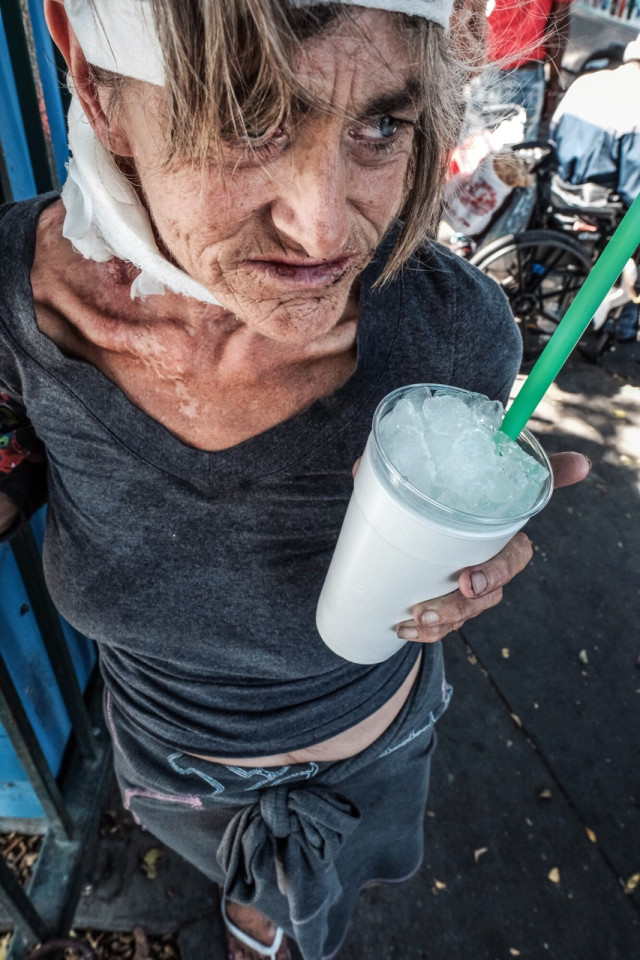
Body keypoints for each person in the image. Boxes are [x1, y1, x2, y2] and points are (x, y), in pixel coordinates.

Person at [0, 2, 589, 958]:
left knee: (296, 913)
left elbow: (440, 558)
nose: (321, 228)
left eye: (379, 126)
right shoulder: (16, 304)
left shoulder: (455, 339)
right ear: (98, 89)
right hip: (170, 764)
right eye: (243, 117)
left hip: (370, 759)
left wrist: (468, 560)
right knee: (229, 878)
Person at [551, 33, 640, 343]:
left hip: (558, 187)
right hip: (595, 203)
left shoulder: (589, 81)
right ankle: (625, 326)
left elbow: (554, 131)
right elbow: (633, 190)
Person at [472, 0, 574, 140]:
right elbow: (558, 25)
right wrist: (553, 84)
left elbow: (471, 11)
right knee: (519, 156)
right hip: (527, 75)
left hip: (486, 68)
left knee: (471, 152)